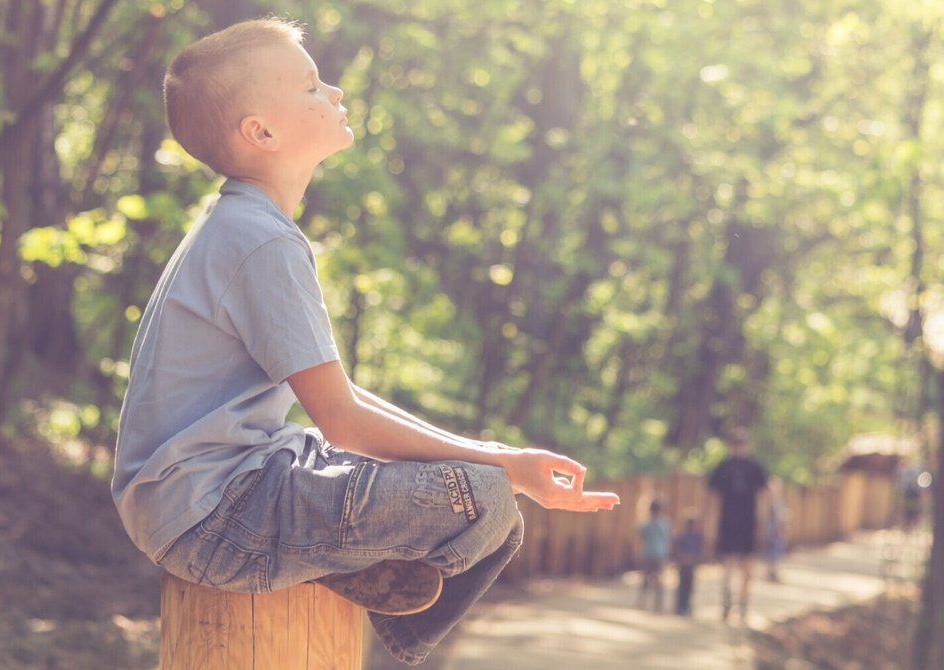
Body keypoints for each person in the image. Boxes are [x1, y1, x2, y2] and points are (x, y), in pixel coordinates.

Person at [110, 18, 619, 666]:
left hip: (225, 491)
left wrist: (495, 451)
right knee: (482, 498)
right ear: (261, 132)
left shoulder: (245, 224)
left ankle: (347, 574)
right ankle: (393, 640)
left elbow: (339, 399)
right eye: (312, 85)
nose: (337, 92)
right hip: (215, 516)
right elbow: (344, 421)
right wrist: (502, 468)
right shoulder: (259, 240)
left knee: (483, 483)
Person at [707, 430, 768, 624]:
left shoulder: (754, 467)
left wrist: (761, 522)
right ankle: (727, 603)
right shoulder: (723, 467)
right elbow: (714, 498)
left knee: (747, 567)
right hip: (728, 523)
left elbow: (763, 496)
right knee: (727, 566)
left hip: (748, 523)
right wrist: (711, 524)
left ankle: (742, 603)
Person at [637, 499, 672, 611]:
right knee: (659, 579)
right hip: (659, 554)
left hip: (647, 553)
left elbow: (640, 536)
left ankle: (642, 602)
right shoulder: (664, 524)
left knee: (645, 579)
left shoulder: (646, 523)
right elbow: (668, 538)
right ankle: (658, 604)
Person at [671, 512, 704, 616]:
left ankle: (683, 607)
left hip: (686, 563)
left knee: (684, 586)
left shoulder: (686, 535)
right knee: (687, 586)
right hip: (688, 563)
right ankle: (684, 607)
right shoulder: (693, 536)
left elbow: (676, 548)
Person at [764, 477, 787, 582]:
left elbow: (781, 517)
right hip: (770, 530)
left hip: (776, 530)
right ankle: (770, 572)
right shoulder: (768, 501)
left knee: (776, 552)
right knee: (770, 552)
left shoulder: (779, 501)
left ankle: (774, 572)